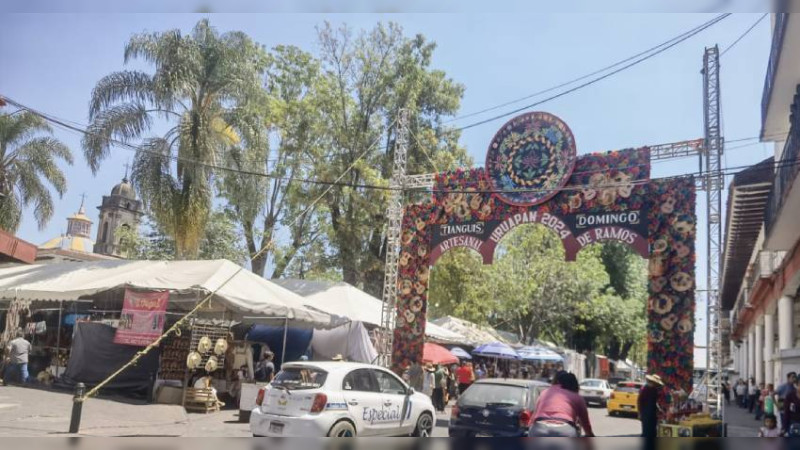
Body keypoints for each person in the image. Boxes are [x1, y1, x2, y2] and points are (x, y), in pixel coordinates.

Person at [529, 371, 594, 437]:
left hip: (539, 429)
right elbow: (585, 423)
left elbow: (533, 416)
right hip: (565, 430)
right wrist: (591, 435)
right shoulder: (577, 397)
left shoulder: (545, 392)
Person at [638, 374, 664, 438]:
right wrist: (639, 413)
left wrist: (659, 409)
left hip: (652, 413)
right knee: (646, 431)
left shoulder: (654, 389)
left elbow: (655, 402)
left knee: (652, 431)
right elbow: (639, 401)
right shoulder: (644, 388)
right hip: (646, 412)